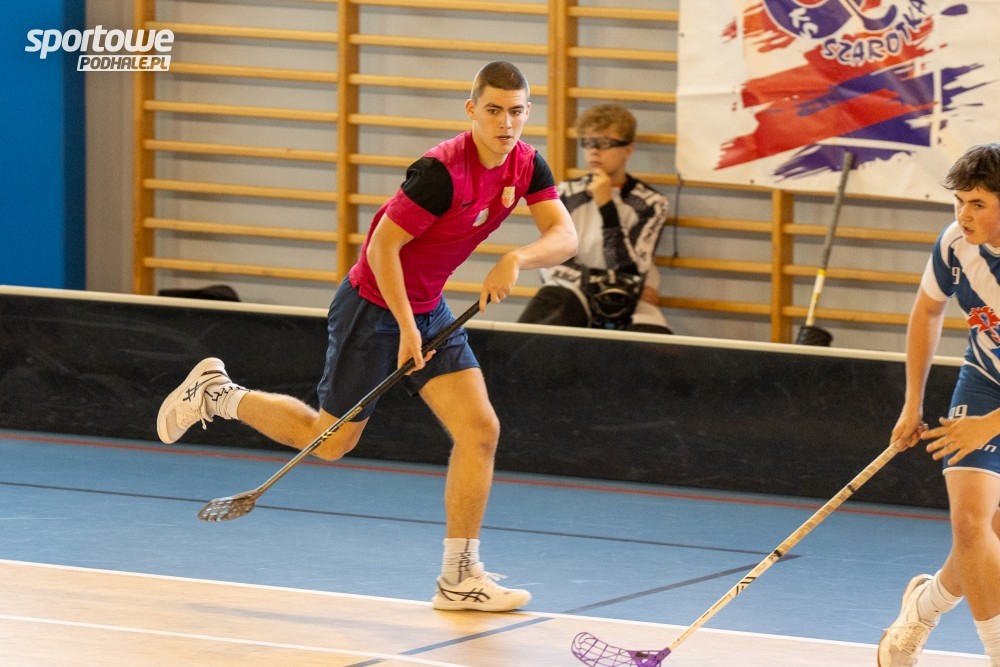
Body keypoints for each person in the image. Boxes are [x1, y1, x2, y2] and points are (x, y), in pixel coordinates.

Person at [155, 61, 577, 612]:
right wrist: (405, 326)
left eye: (516, 112)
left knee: (480, 430)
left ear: (527, 112)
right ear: (472, 110)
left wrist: (517, 258)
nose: (506, 123)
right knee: (332, 443)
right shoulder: (440, 173)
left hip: (427, 306)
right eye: (494, 110)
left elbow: (564, 234)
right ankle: (218, 393)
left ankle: (458, 577)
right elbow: (382, 247)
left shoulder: (525, 164)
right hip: (373, 305)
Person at [880, 143, 1000, 667]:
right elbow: (927, 312)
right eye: (959, 201)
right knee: (972, 525)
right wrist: (912, 404)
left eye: (979, 204)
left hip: (992, 414)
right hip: (984, 383)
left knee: (991, 538)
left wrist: (990, 427)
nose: (963, 215)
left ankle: (923, 607)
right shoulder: (955, 244)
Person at [517, 103, 672, 333]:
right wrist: (609, 284)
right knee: (554, 300)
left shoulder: (652, 203)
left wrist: (606, 206)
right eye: (588, 143)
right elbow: (551, 261)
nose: (594, 151)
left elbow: (629, 271)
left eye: (604, 143)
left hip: (627, 300)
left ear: (628, 150)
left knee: (654, 339)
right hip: (573, 294)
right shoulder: (566, 193)